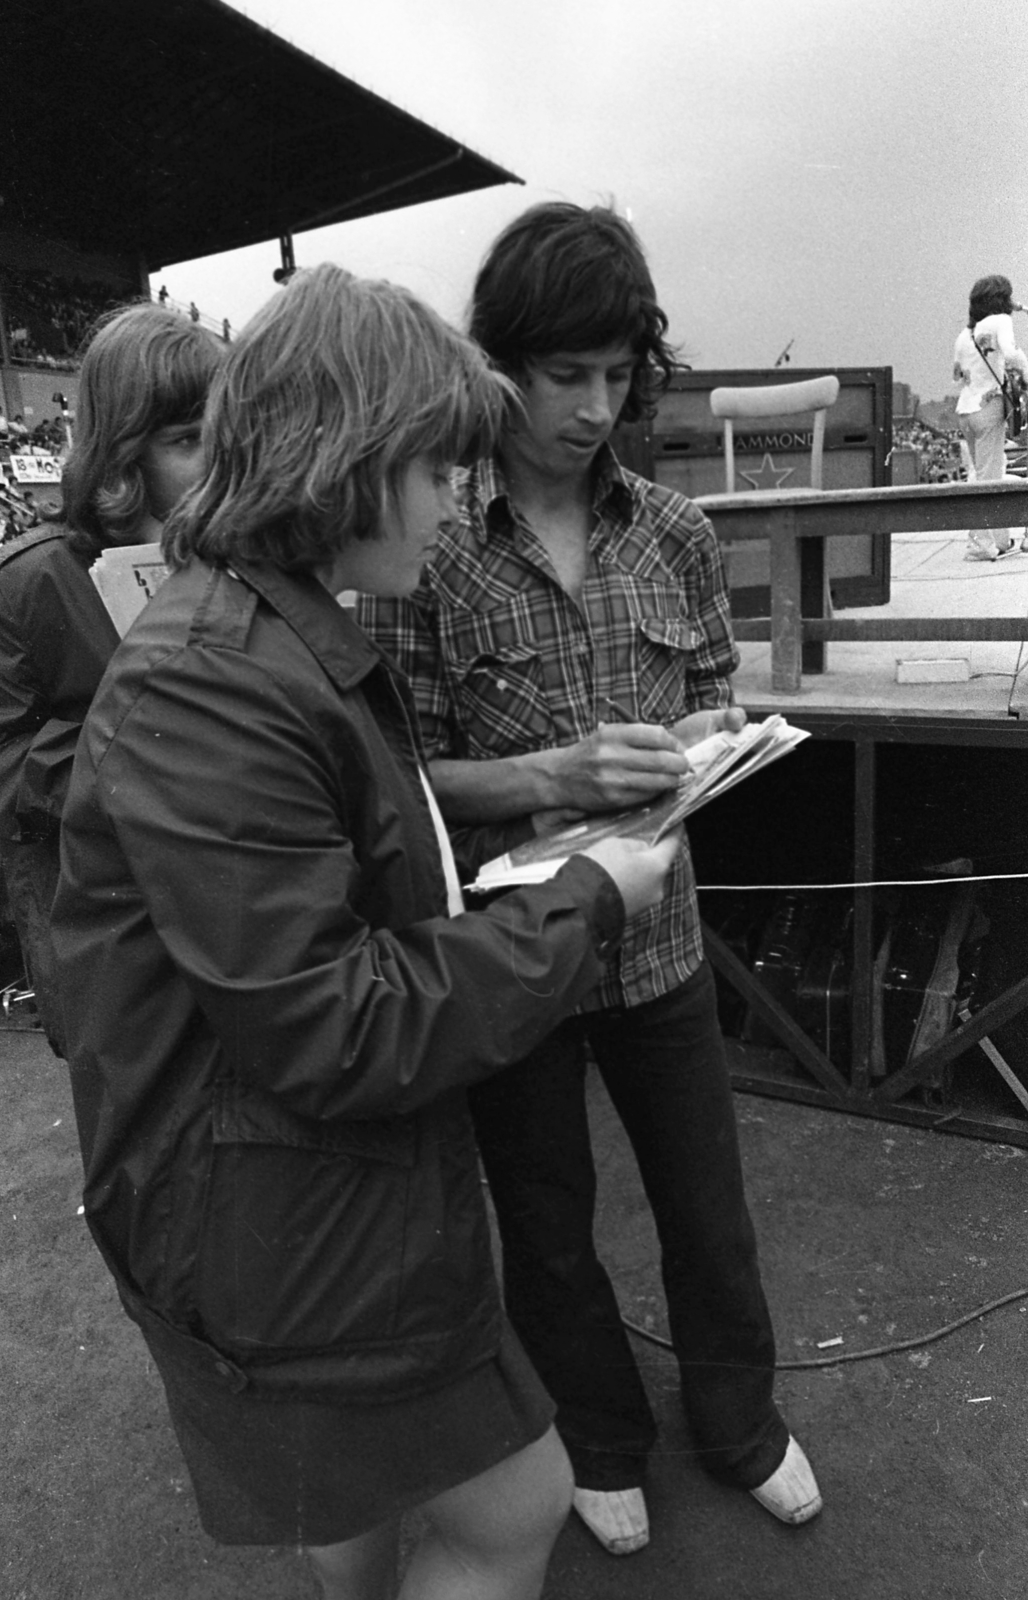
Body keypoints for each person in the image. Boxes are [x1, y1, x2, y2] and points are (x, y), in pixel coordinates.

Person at [51, 263, 680, 1600]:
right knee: (517, 1504)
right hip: (278, 1209)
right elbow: (336, 1021)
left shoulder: (266, 635)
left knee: (352, 1509)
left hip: (296, 1190)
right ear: (344, 460)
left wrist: (537, 834)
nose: (455, 504)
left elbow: (349, 866)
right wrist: (582, 899)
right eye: (437, 470)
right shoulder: (216, 681)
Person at [358, 203, 822, 1557]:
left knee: (707, 1207)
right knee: (547, 1223)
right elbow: (399, 785)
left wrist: (701, 749)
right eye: (564, 374)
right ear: (495, 363)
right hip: (513, 953)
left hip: (662, 938)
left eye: (617, 375)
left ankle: (739, 1422)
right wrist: (561, 776)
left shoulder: (673, 529)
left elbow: (718, 702)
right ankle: (600, 1436)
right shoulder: (428, 541)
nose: (592, 406)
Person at [0, 302, 221, 1055]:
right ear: (123, 448)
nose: (217, 464)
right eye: (189, 440)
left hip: (232, 915)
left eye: (227, 438)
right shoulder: (33, 580)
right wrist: (128, 762)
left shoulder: (241, 559)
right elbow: (6, 763)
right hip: (110, 934)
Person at [952, 274, 1028, 560]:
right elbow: (1012, 354)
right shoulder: (1001, 322)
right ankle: (980, 544)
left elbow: (957, 373)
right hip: (989, 407)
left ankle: (999, 537)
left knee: (985, 473)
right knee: (988, 480)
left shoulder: (964, 334)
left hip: (966, 410)